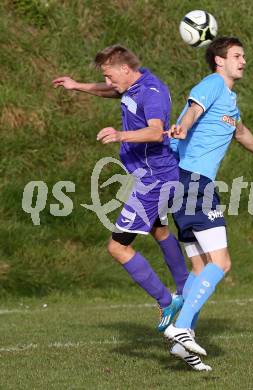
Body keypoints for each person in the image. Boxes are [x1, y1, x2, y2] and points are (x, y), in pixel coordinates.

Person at [164, 37, 253, 370]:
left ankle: (182, 345)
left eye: (244, 55)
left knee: (201, 269)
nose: (243, 61)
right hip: (195, 183)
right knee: (223, 263)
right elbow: (192, 111)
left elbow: (240, 132)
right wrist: (183, 128)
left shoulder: (229, 101)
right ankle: (181, 327)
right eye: (236, 56)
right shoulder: (214, 84)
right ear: (219, 61)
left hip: (182, 184)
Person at [52, 45, 189, 332]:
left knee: (117, 247)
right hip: (152, 176)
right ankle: (186, 290)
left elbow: (155, 130)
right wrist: (77, 86)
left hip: (153, 180)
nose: (108, 81)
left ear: (124, 69)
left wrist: (119, 135)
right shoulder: (132, 86)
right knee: (159, 230)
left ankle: (167, 301)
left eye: (109, 75)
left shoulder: (151, 93)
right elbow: (112, 91)